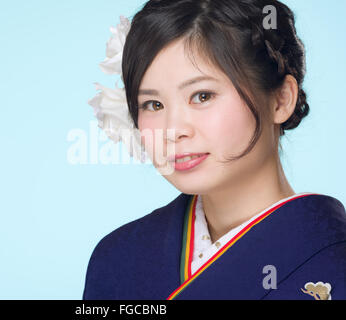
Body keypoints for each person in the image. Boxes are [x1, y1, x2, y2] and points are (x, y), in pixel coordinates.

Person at [83, 0, 346, 300]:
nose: (174, 129)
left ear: (280, 100)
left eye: (202, 96)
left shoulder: (335, 262)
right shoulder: (118, 259)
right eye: (153, 104)